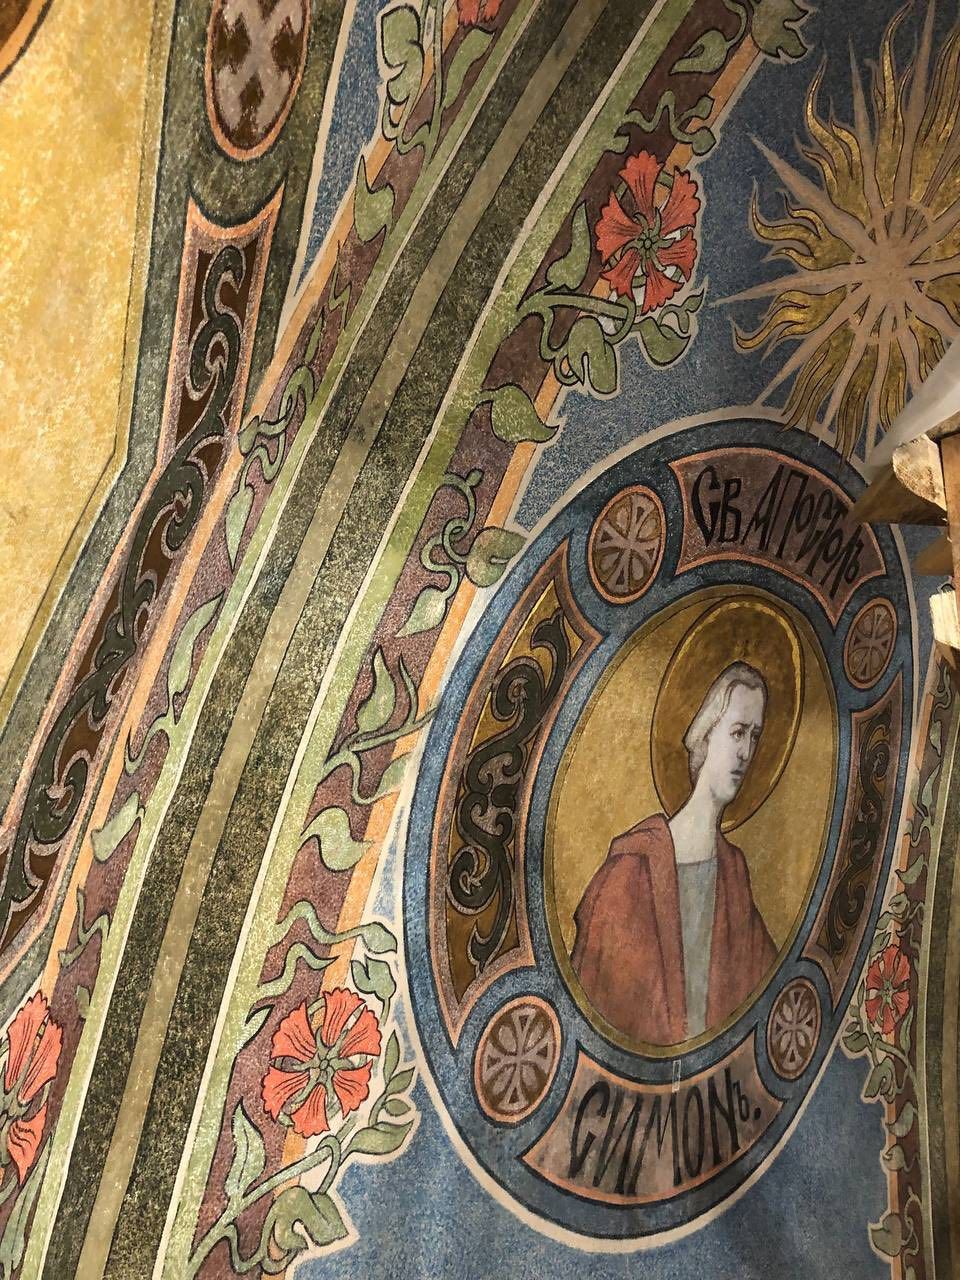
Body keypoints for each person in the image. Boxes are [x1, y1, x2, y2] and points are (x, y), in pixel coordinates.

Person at [571, 662, 776, 1045]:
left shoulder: (733, 872)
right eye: (737, 732)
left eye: (755, 735)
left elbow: (769, 991)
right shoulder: (631, 868)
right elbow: (594, 1004)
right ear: (705, 733)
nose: (746, 751)